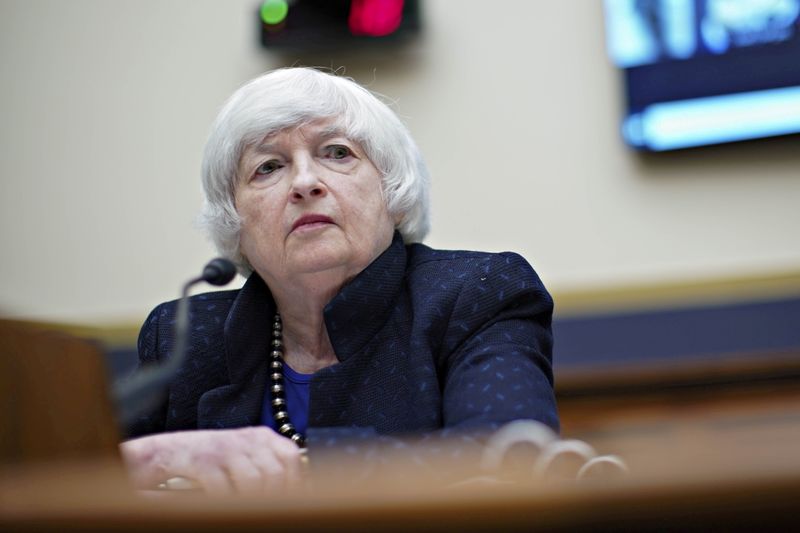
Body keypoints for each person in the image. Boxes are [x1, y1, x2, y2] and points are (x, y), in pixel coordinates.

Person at [121, 67, 558, 494]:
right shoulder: (186, 338)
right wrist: (155, 457)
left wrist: (284, 466)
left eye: (337, 153)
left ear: (393, 192)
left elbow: (508, 457)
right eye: (269, 167)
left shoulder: (476, 293)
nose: (305, 182)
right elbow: (84, 476)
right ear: (234, 221)